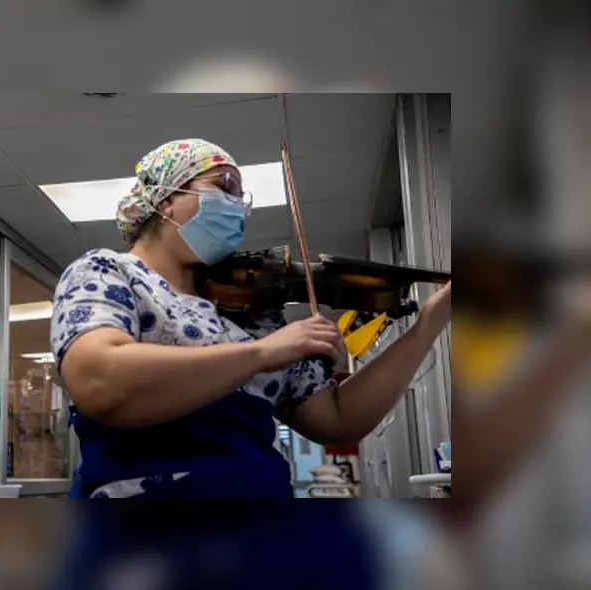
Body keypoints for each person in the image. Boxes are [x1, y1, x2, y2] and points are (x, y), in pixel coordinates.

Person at [51, 138, 452, 498]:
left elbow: (338, 420)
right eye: (224, 187)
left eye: (241, 198)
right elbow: (99, 379)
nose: (236, 207)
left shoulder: (254, 314)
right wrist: (262, 354)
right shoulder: (107, 272)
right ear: (165, 198)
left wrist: (427, 325)